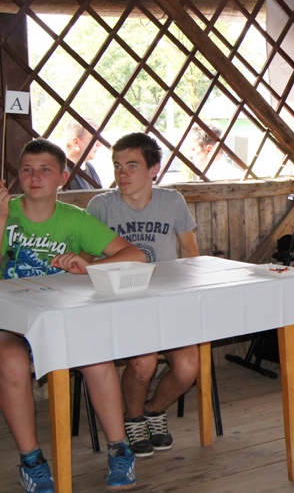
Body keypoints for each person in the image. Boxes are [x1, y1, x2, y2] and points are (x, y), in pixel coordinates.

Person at [0, 139, 144, 492]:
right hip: (10, 323)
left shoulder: (75, 219)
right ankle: (31, 460)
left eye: (45, 170)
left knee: (97, 357)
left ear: (62, 178)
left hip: (61, 318)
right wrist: (1, 219)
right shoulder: (6, 212)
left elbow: (135, 255)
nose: (35, 177)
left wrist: (89, 265)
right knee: (11, 363)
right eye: (27, 170)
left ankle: (120, 449)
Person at [87, 132, 200, 458]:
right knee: (142, 364)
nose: (122, 173)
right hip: (121, 303)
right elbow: (87, 261)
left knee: (187, 369)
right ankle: (133, 418)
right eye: (117, 165)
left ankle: (153, 410)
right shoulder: (101, 206)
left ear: (154, 170)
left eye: (132, 165)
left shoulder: (172, 202)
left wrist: (191, 296)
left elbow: (191, 253)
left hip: (167, 301)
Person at [62, 117, 102, 190]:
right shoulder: (63, 174)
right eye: (94, 139)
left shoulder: (89, 167)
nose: (99, 144)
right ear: (76, 142)